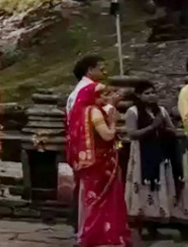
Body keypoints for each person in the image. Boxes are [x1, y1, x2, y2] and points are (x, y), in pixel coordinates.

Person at [69, 82, 131, 246]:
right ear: (92, 97)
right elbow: (108, 136)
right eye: (102, 95)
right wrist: (112, 122)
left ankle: (91, 233)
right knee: (101, 198)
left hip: (90, 161)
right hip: (101, 162)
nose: (106, 98)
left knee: (91, 198)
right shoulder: (95, 112)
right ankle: (102, 234)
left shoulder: (82, 111)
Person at [124, 83, 188, 239]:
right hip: (141, 154)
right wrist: (152, 127)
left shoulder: (162, 111)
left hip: (160, 153)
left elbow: (172, 129)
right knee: (143, 188)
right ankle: (140, 227)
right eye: (147, 93)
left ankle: (154, 226)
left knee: (160, 188)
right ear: (139, 96)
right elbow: (132, 134)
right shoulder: (132, 112)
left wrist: (164, 129)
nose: (151, 96)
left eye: (153, 92)